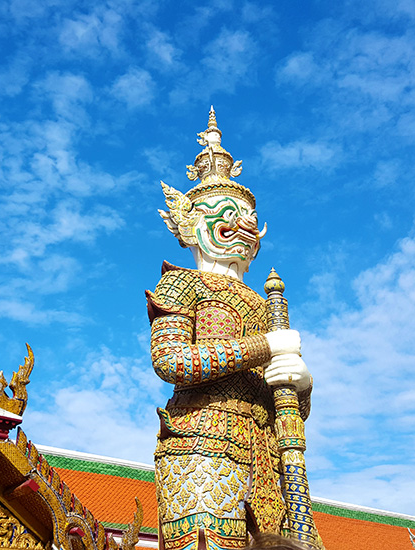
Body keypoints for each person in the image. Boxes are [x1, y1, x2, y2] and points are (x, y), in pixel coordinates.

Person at [148, 108, 312, 550]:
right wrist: (266, 346)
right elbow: (171, 360)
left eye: (247, 217)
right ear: (191, 222)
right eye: (227, 213)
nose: (241, 225)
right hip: (202, 453)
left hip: (268, 467)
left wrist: (301, 386)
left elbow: (280, 406)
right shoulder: (182, 282)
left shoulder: (265, 305)